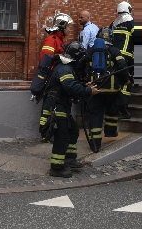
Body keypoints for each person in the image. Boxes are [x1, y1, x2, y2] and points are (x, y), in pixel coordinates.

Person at [42, 42, 99, 177]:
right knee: (62, 136)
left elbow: (71, 84)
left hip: (62, 106)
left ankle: (69, 159)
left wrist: (85, 85)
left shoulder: (66, 68)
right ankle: (56, 167)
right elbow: (70, 87)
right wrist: (88, 91)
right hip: (57, 106)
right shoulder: (65, 69)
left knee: (72, 131)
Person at [79, 27, 129, 151]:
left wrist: (84, 81)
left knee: (95, 115)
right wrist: (123, 81)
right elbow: (123, 67)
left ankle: (95, 144)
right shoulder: (115, 51)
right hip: (112, 90)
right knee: (112, 109)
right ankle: (111, 132)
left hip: (95, 89)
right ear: (111, 38)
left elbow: (80, 64)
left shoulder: (91, 51)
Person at [37, 12, 73, 139]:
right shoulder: (51, 40)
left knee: (55, 105)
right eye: (68, 26)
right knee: (48, 107)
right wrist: (59, 58)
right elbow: (46, 58)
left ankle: (50, 132)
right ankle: (44, 133)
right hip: (51, 78)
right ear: (62, 27)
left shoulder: (59, 40)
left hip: (57, 78)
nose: (69, 29)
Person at [111, 1, 137, 118]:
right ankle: (122, 108)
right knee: (127, 82)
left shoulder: (113, 24)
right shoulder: (132, 23)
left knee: (116, 80)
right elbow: (139, 40)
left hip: (113, 57)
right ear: (128, 10)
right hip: (126, 58)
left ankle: (113, 106)